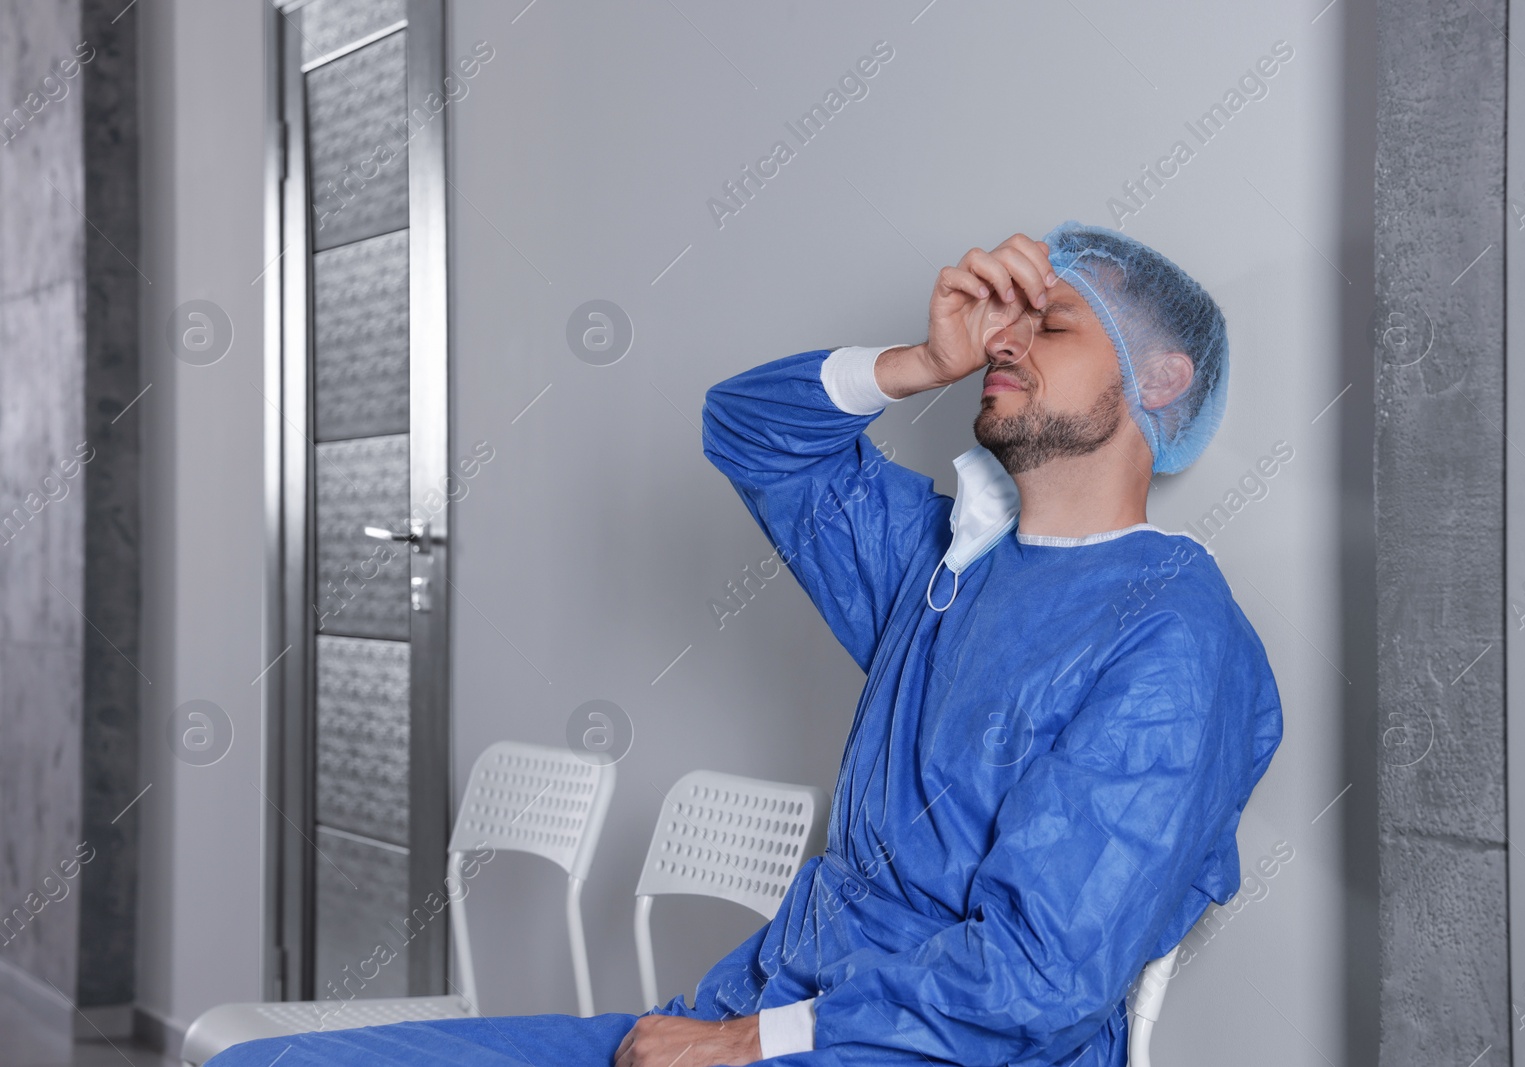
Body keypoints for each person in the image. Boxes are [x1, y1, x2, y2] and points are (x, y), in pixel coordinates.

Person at [210, 221, 1283, 1067]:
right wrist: (917, 360)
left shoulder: (1170, 635)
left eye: (1048, 326)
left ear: (1160, 380)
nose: (1003, 339)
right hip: (760, 1011)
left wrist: (751, 1041)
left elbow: (1039, 973)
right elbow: (748, 428)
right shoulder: (945, 564)